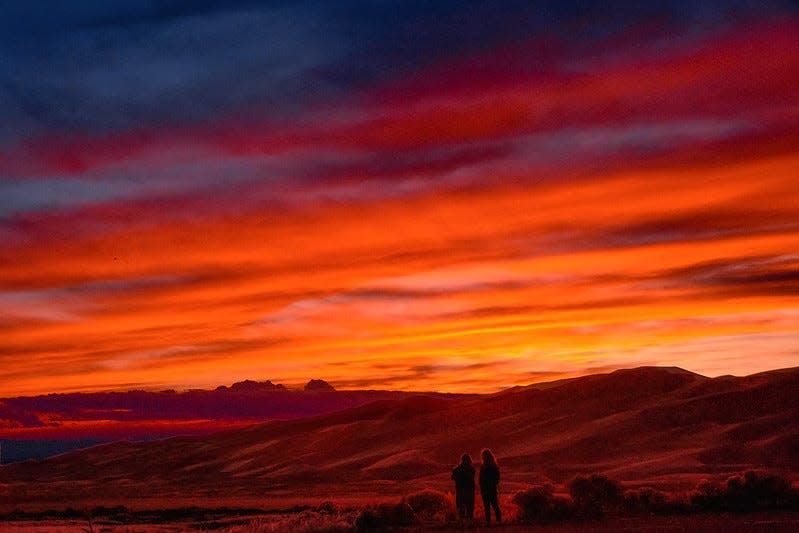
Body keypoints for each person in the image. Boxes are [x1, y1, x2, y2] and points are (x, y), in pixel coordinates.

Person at [479, 448, 501, 524]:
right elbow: (497, 478)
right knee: (494, 506)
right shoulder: (493, 466)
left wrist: (482, 486)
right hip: (490, 489)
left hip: (487, 489)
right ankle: (498, 520)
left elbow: (481, 478)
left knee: (489, 506)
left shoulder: (485, 466)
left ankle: (489, 521)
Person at [451, 453, 475, 520]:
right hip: (469, 491)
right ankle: (470, 522)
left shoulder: (457, 469)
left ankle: (462, 523)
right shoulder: (471, 469)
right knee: (470, 509)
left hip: (460, 491)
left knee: (461, 508)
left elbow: (453, 477)